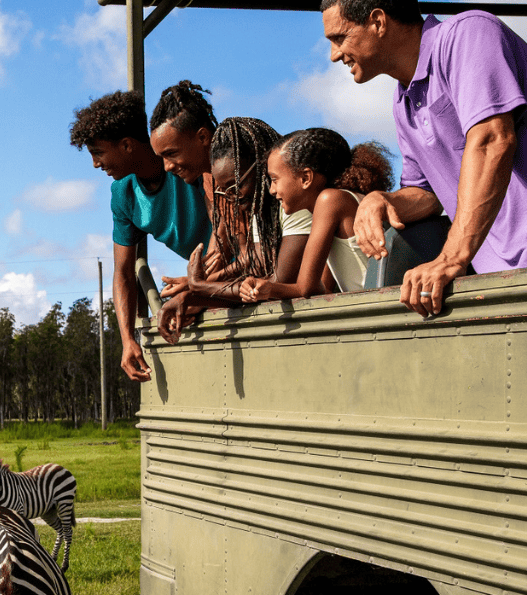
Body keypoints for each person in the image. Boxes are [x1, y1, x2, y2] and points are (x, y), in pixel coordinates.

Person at [321, 0, 527, 318]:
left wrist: (451, 257)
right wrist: (382, 199)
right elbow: (427, 195)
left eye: (340, 37)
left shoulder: (467, 34)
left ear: (378, 22)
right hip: (504, 279)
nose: (334, 54)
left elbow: (493, 139)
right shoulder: (403, 104)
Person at [69, 90, 212, 381]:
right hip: (208, 279)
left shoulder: (186, 163)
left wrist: (196, 284)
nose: (96, 164)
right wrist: (128, 339)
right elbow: (123, 273)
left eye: (98, 152)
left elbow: (229, 231)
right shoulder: (123, 195)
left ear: (126, 145)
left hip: (237, 265)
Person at [158, 117, 314, 344]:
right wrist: (195, 296)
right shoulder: (258, 209)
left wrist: (199, 288)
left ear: (262, 167)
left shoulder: (296, 206)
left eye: (236, 185)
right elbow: (258, 270)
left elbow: (275, 281)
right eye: (223, 192)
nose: (232, 197)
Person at [237, 128, 393, 305]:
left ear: (306, 178)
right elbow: (322, 288)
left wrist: (266, 288)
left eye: (274, 179)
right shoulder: (337, 203)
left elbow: (305, 288)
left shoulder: (330, 200)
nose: (272, 190)